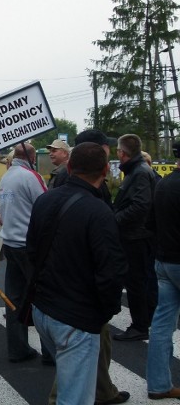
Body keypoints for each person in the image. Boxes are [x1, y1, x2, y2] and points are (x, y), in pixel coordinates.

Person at [28, 143, 127, 405]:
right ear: (106, 170)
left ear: (70, 167)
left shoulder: (44, 199)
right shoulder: (99, 211)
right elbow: (111, 271)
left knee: (69, 384)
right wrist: (104, 312)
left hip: (43, 311)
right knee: (75, 398)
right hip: (76, 318)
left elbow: (32, 251)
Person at [0, 142, 48, 363]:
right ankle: (50, 351)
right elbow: (47, 205)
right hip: (28, 246)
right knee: (44, 298)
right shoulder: (31, 176)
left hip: (10, 243)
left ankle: (17, 348)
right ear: (32, 157)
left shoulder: (7, 176)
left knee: (14, 299)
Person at [113, 133, 157, 341]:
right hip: (136, 235)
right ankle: (143, 321)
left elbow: (141, 205)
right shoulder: (138, 170)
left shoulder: (139, 172)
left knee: (136, 283)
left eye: (119, 151)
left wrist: (115, 219)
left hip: (136, 237)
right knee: (138, 282)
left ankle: (140, 325)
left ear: (122, 152)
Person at [145, 140, 180, 400]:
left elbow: (151, 223)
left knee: (161, 325)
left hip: (164, 261)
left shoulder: (163, 184)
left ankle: (159, 384)